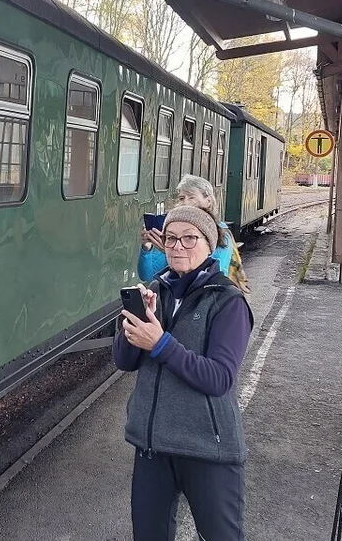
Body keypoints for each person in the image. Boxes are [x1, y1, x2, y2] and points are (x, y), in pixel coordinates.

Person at [115, 204, 254, 541]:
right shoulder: (156, 289)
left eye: (189, 238)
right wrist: (134, 325)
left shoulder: (227, 301)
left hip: (207, 447)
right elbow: (124, 361)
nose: (177, 247)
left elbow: (218, 378)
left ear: (209, 245)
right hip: (153, 445)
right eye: (171, 238)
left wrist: (160, 343)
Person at [138, 174, 250, 293]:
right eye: (182, 198)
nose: (185, 202)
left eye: (191, 197)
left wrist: (170, 251)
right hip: (173, 299)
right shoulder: (173, 234)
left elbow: (212, 277)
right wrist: (146, 249)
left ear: (208, 201)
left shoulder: (221, 233)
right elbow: (147, 275)